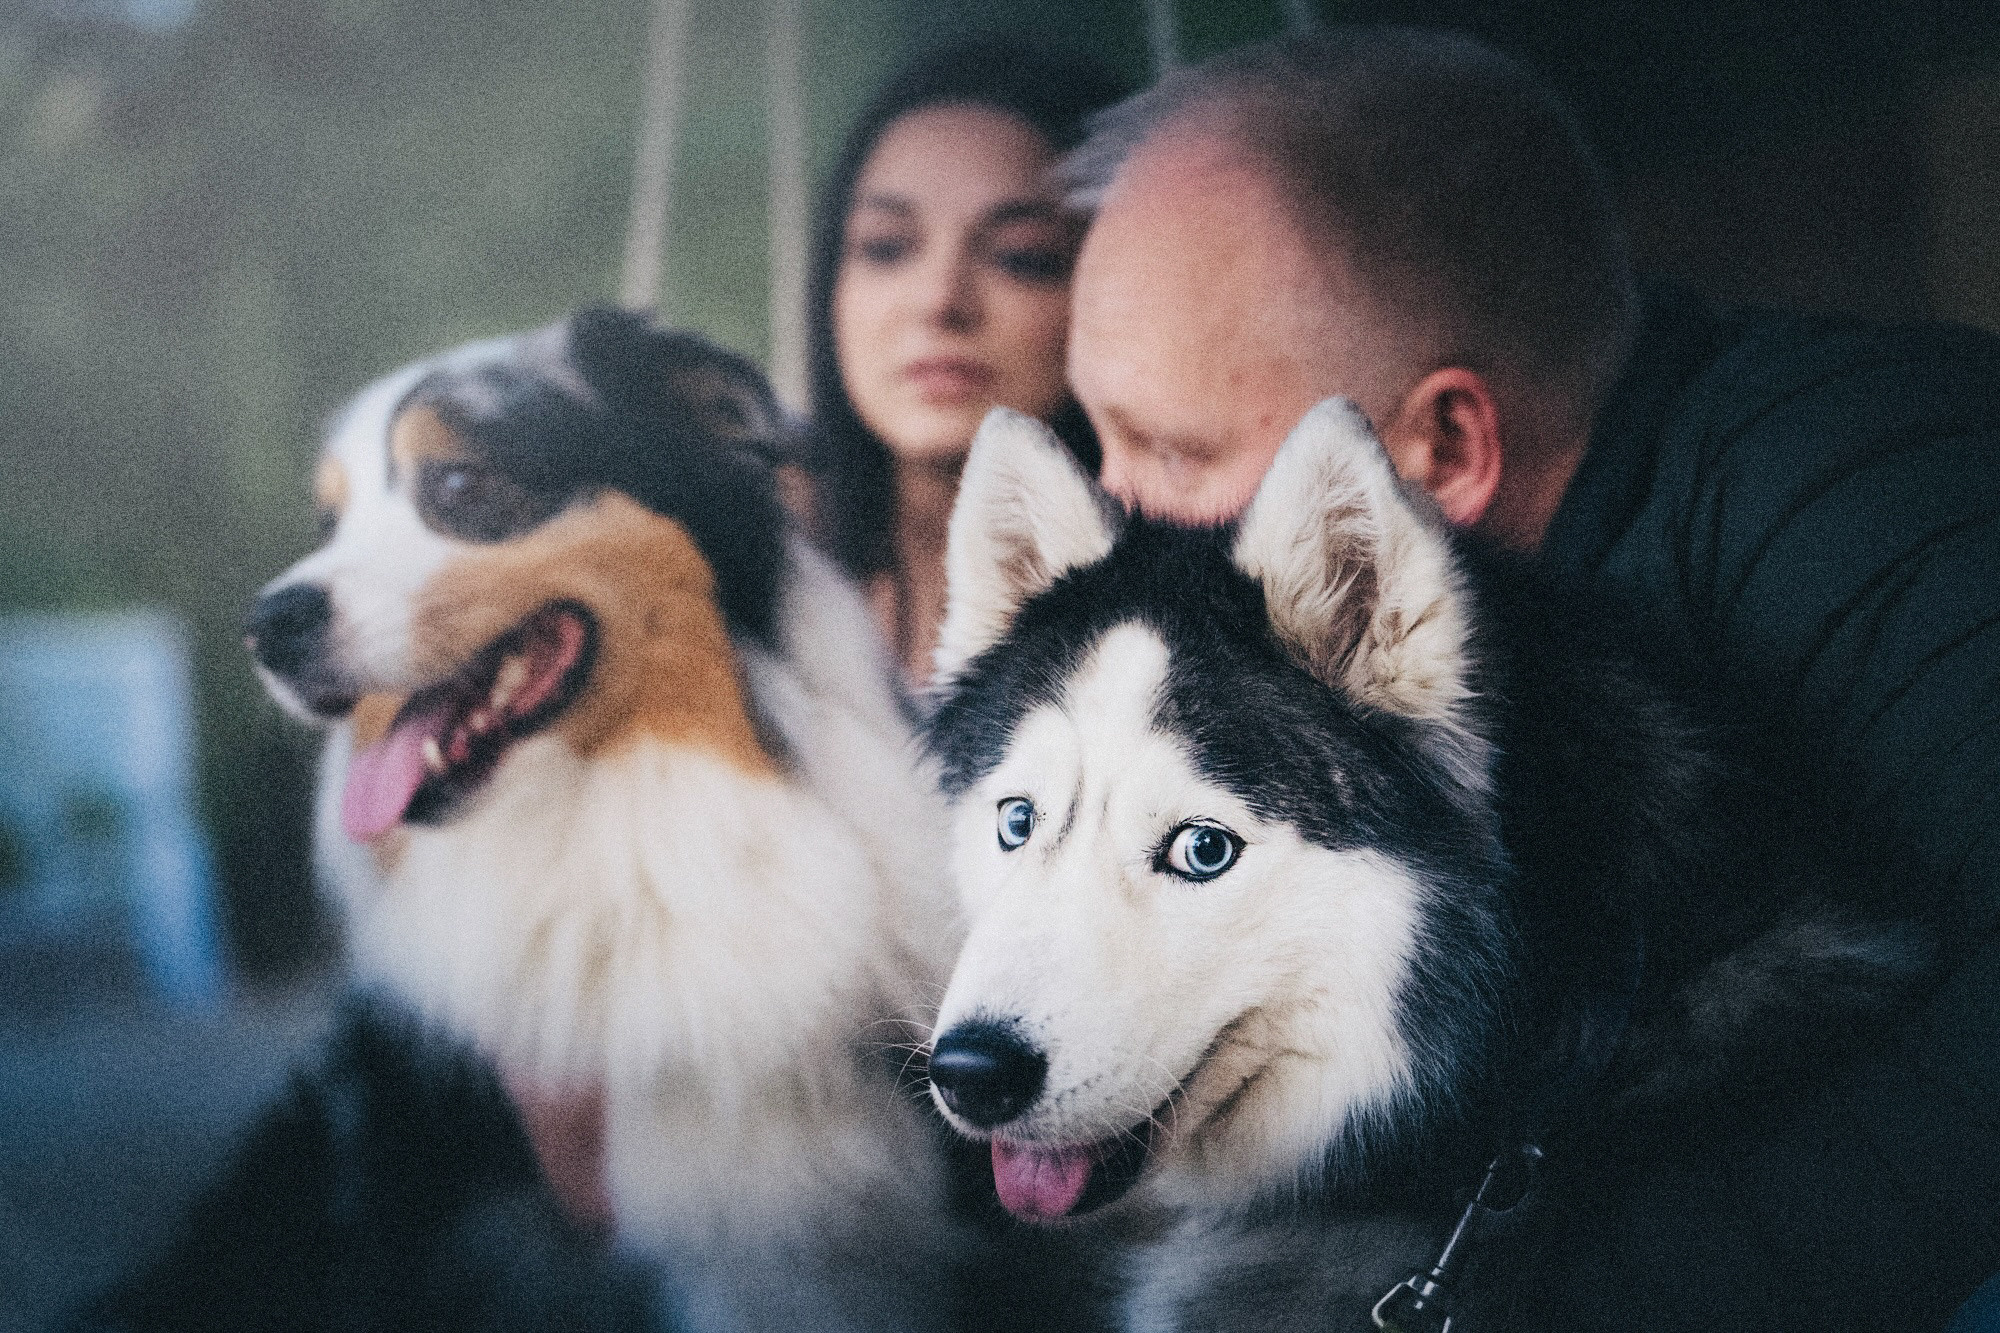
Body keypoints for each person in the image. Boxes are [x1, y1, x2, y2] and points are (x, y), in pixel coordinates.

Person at [1059, 26, 2000, 1332]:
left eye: (1170, 451)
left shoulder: (1872, 507)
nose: (1110, 518)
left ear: (1441, 447)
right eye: (1093, 438)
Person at [803, 38, 1121, 683]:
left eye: (1021, 257)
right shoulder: (756, 594)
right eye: (887, 247)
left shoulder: (1170, 638)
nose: (941, 300)